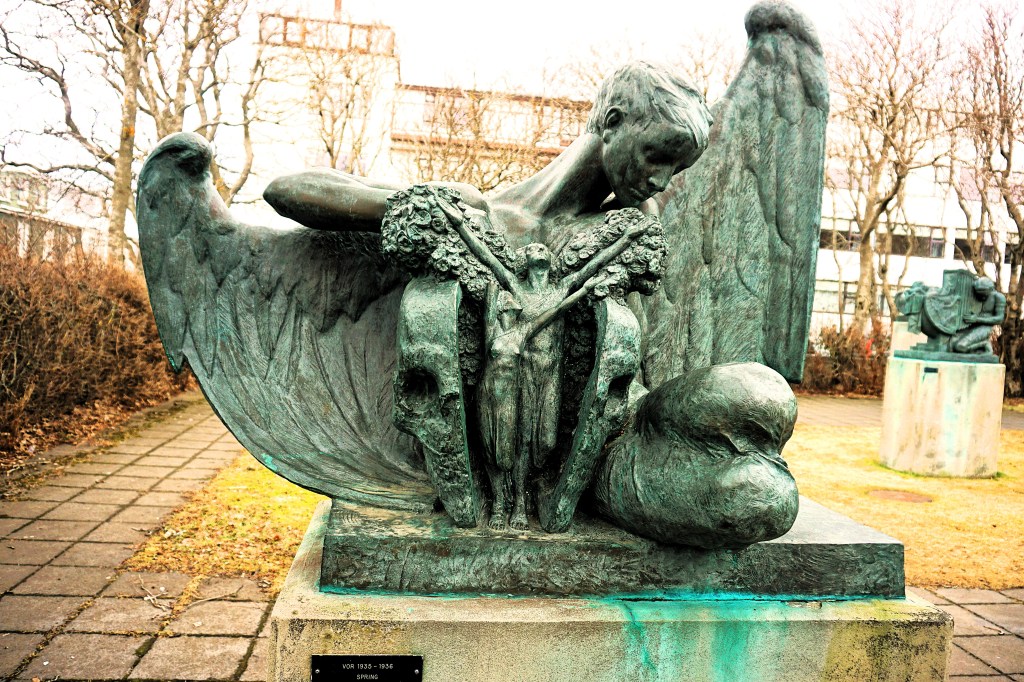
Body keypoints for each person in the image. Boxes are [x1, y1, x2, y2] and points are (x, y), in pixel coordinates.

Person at [952, 277, 1006, 354]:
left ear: (991, 289)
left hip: (984, 327)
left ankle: (984, 344)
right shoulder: (976, 295)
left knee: (960, 347)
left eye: (983, 291)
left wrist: (977, 319)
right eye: (977, 291)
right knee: (949, 344)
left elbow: (999, 319)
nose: (980, 294)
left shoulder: (998, 297)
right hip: (969, 325)